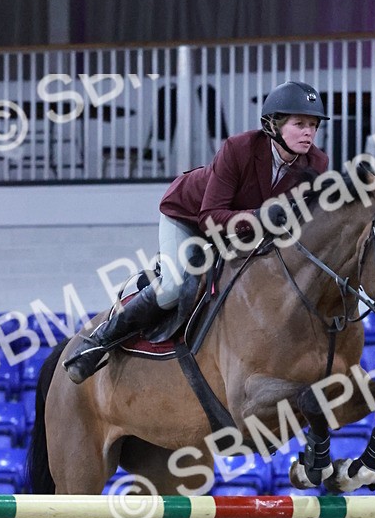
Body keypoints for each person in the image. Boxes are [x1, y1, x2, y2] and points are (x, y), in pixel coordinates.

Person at [64, 81, 330, 383]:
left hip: (244, 232)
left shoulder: (317, 163)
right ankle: (97, 342)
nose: (309, 132)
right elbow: (209, 218)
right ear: (272, 124)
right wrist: (260, 216)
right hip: (190, 216)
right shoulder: (239, 148)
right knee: (174, 286)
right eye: (299, 124)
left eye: (313, 125)